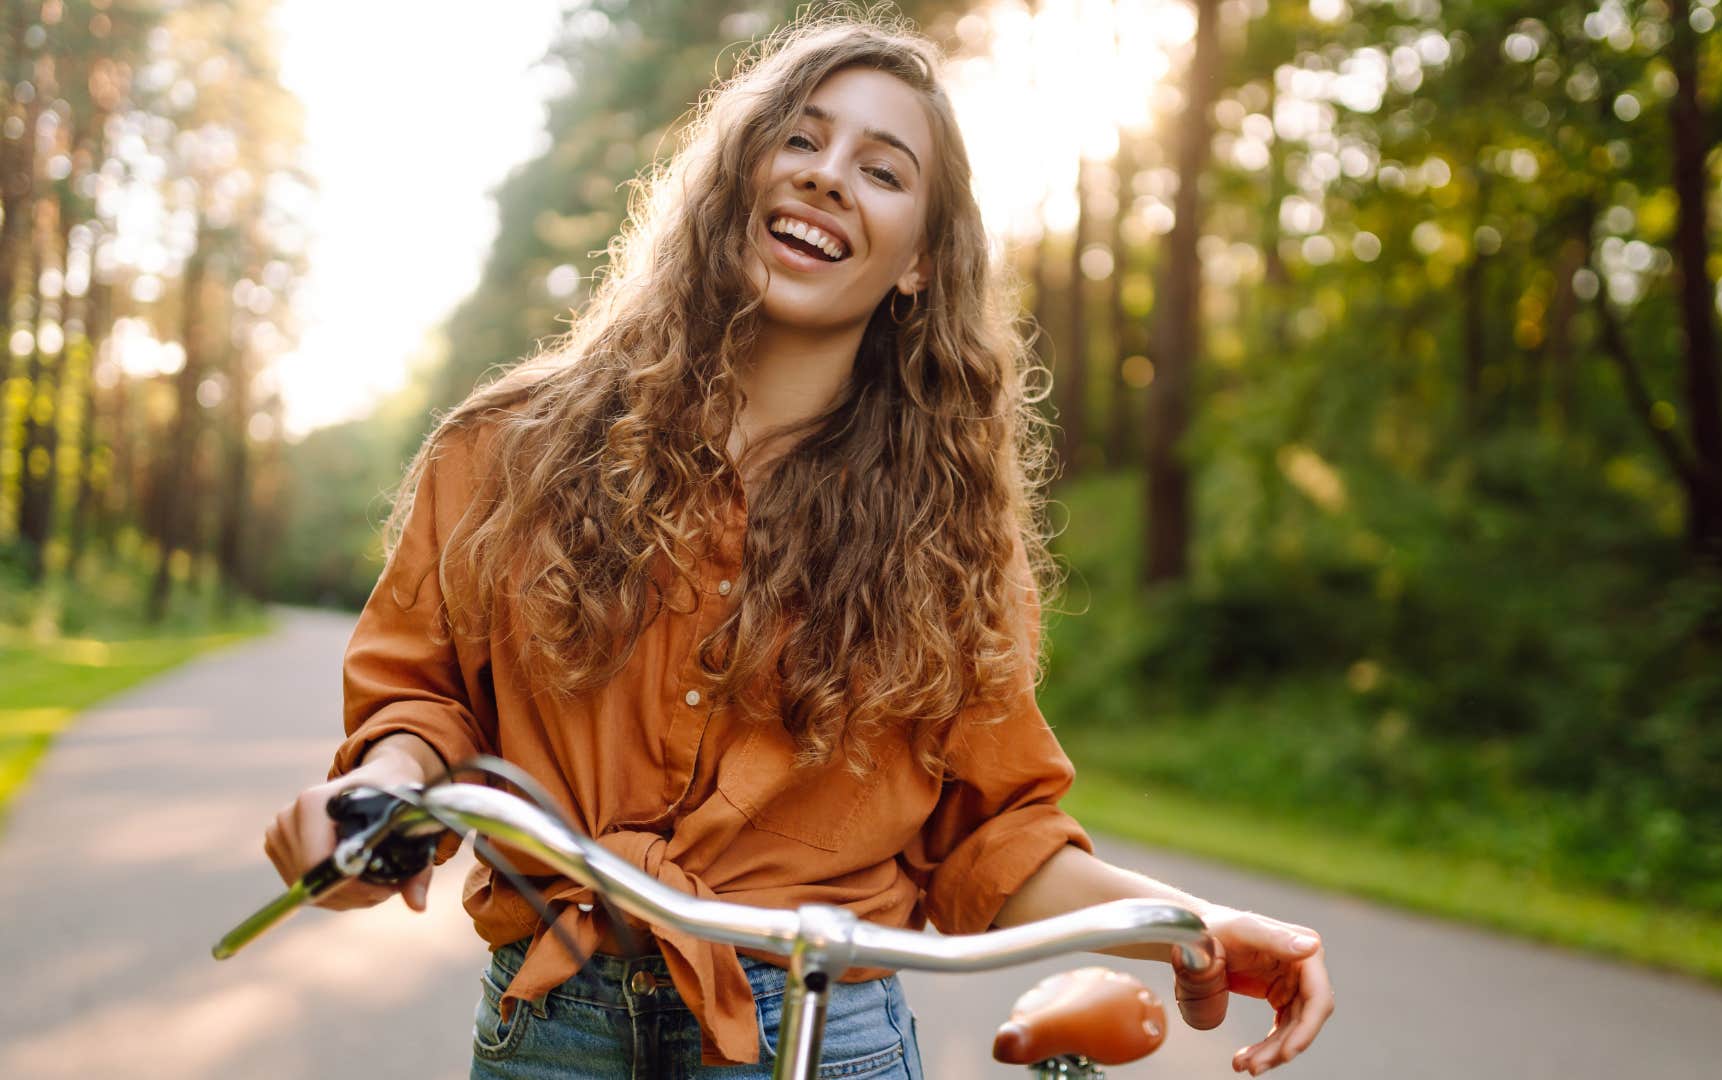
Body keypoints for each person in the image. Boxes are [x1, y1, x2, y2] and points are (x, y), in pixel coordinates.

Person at [263, 11, 1332, 1079]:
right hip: (555, 1029)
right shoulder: (509, 449)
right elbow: (425, 697)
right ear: (737, 180)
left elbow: (992, 840)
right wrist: (382, 795)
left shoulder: (947, 536)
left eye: (881, 168)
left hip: (824, 1036)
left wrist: (1204, 921)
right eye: (802, 140)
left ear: (919, 261)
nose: (828, 178)